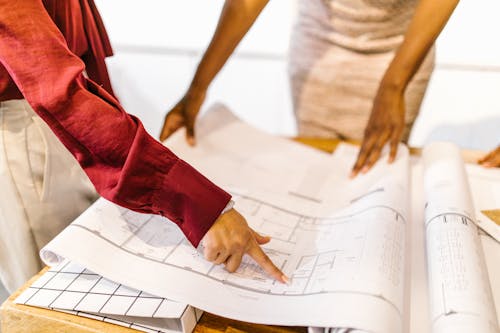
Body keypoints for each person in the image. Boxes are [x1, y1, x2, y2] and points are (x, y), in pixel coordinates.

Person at [0, 0, 286, 293]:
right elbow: (59, 92)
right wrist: (197, 203)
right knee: (48, 291)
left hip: (64, 121)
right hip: (29, 131)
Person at [159, 0, 460, 176]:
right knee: (321, 173)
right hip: (319, 47)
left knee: (378, 173)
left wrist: (394, 85)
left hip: (400, 53)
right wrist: (197, 89)